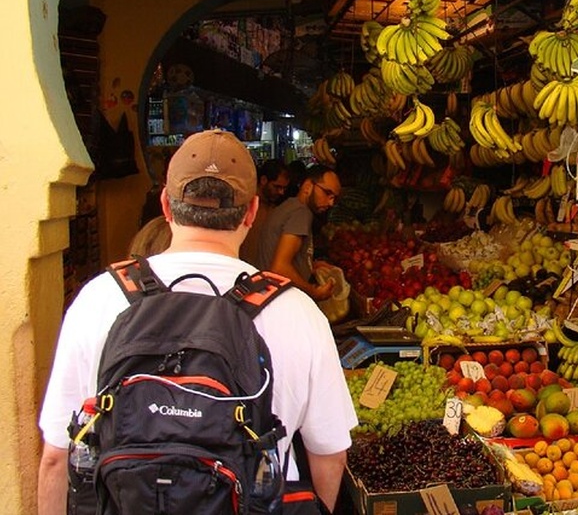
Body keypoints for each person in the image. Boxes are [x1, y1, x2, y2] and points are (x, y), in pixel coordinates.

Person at [37, 129, 357, 515]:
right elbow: (330, 456)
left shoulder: (98, 299)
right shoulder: (298, 312)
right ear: (252, 212)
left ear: (166, 206)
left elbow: (56, 457)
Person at [257, 165, 341, 301]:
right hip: (280, 300)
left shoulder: (290, 206)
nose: (331, 202)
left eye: (334, 198)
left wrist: (310, 265)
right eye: (327, 193)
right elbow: (279, 268)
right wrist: (314, 292)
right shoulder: (301, 213)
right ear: (308, 186)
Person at [238, 158, 293, 265]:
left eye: (284, 188)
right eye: (277, 187)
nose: (281, 192)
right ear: (263, 180)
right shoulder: (244, 205)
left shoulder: (276, 209)